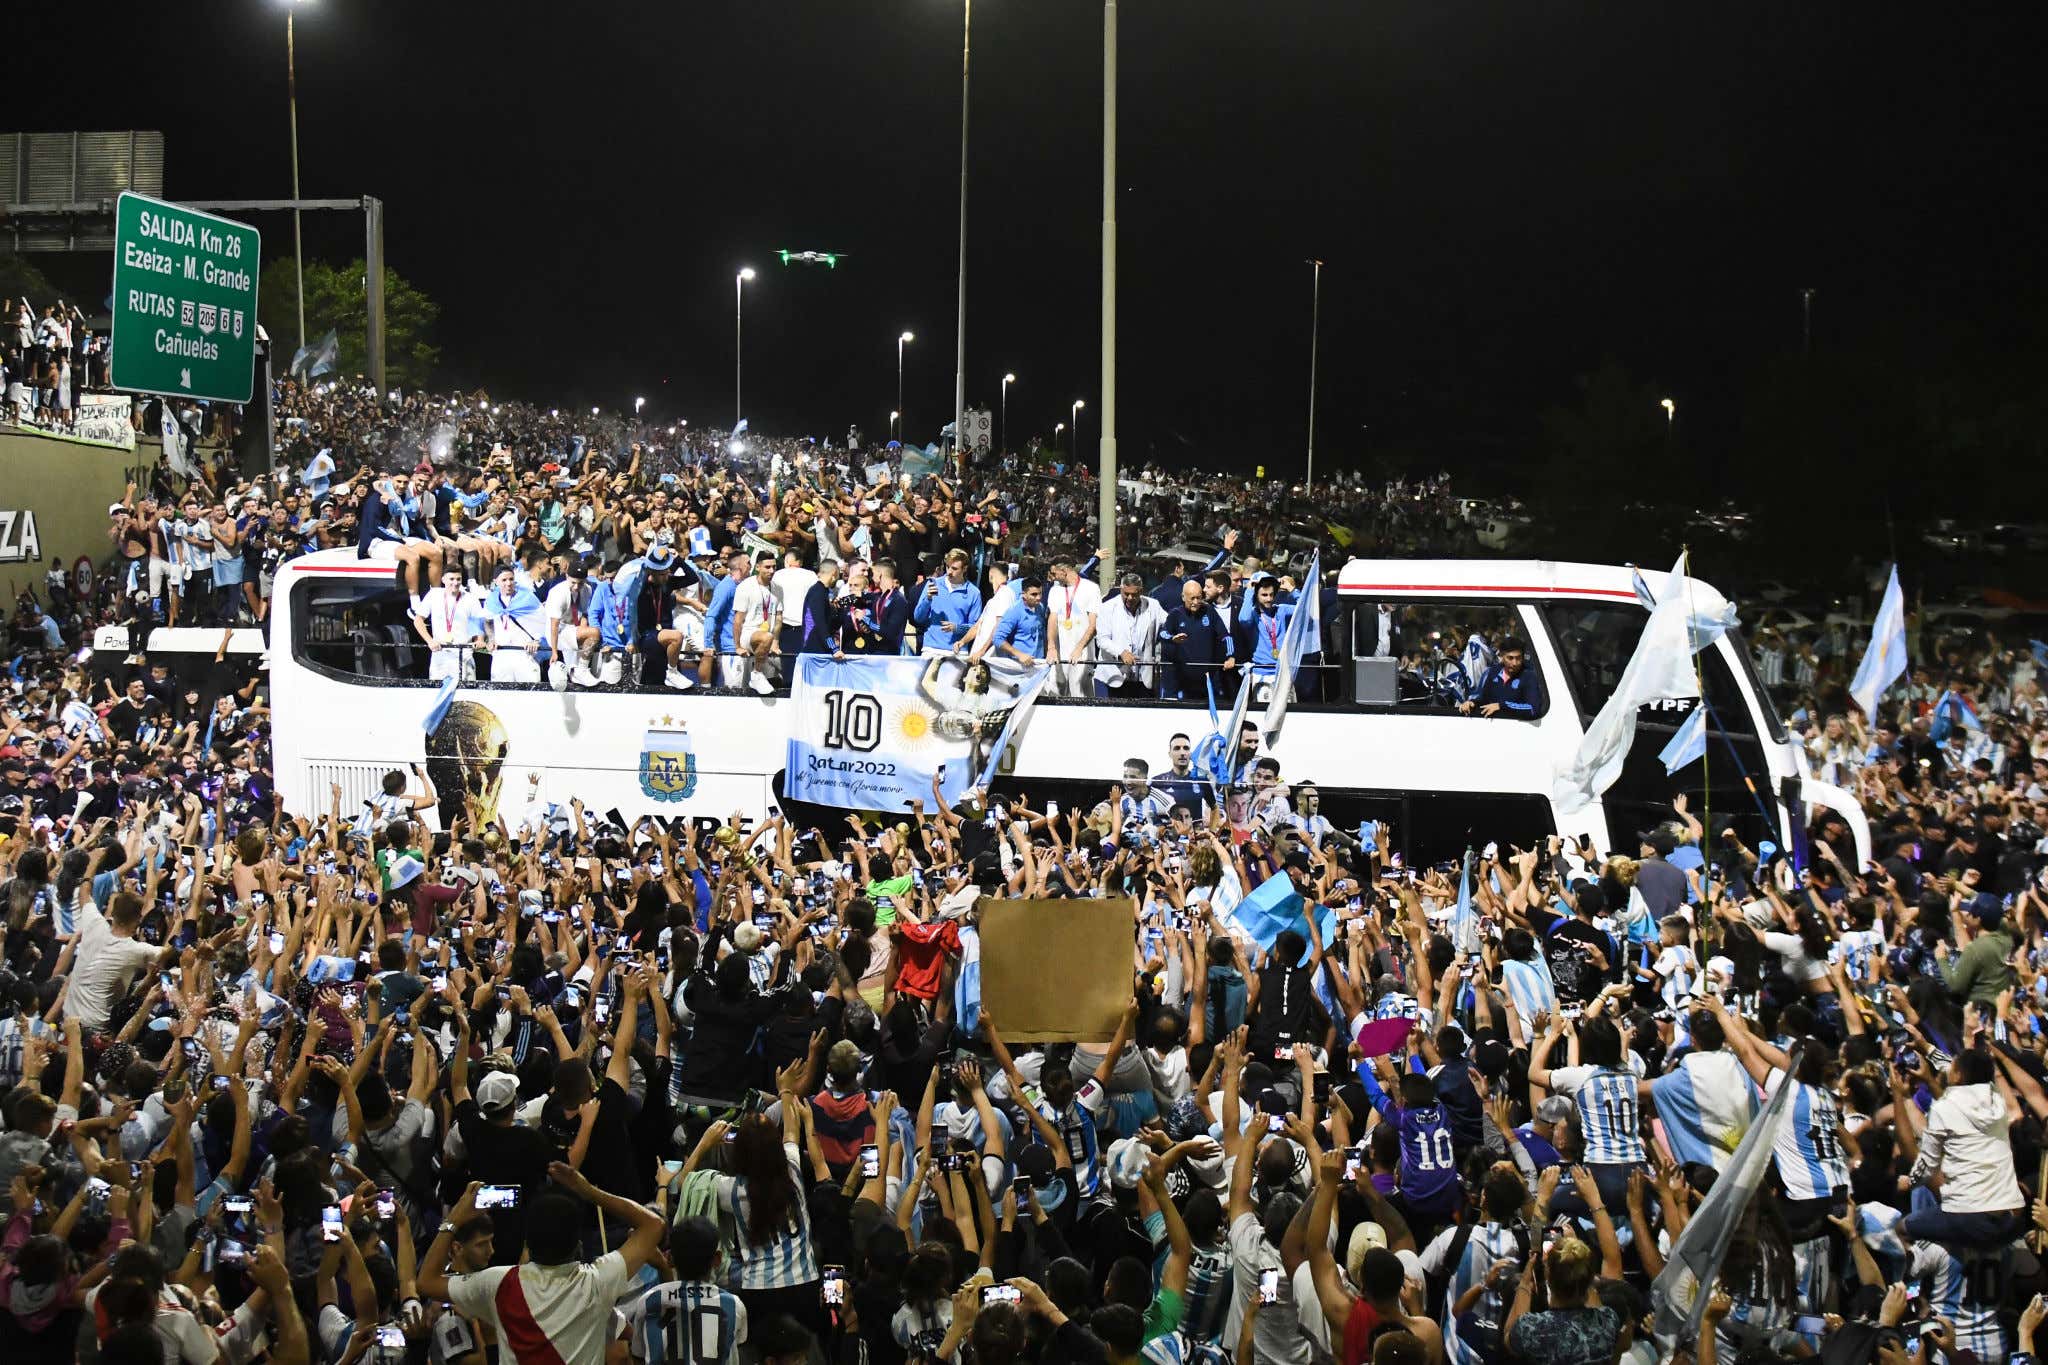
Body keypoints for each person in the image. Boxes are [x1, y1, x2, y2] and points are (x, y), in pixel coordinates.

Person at [422, 1166, 664, 1365]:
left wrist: (454, 1218)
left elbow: (426, 1282)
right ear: (577, 1246)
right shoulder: (597, 1282)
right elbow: (653, 1224)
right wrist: (589, 1192)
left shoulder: (498, 1283)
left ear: (528, 1243)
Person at [1094, 572, 1168, 700]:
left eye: (1134, 594)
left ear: (1141, 591)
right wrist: (1121, 652)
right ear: (1121, 589)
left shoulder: (1153, 605)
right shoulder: (1107, 607)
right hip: (1113, 676)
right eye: (1126, 594)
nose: (1129, 597)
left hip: (1142, 676)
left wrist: (1173, 634)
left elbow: (1169, 622)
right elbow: (1102, 640)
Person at [1457, 637, 1546, 717]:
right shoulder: (1491, 672)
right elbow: (1481, 698)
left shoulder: (1529, 676)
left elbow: (1532, 709)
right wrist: (1471, 703)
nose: (1515, 663)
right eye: (1510, 658)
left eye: (1518, 658)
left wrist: (1502, 706)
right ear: (1502, 656)